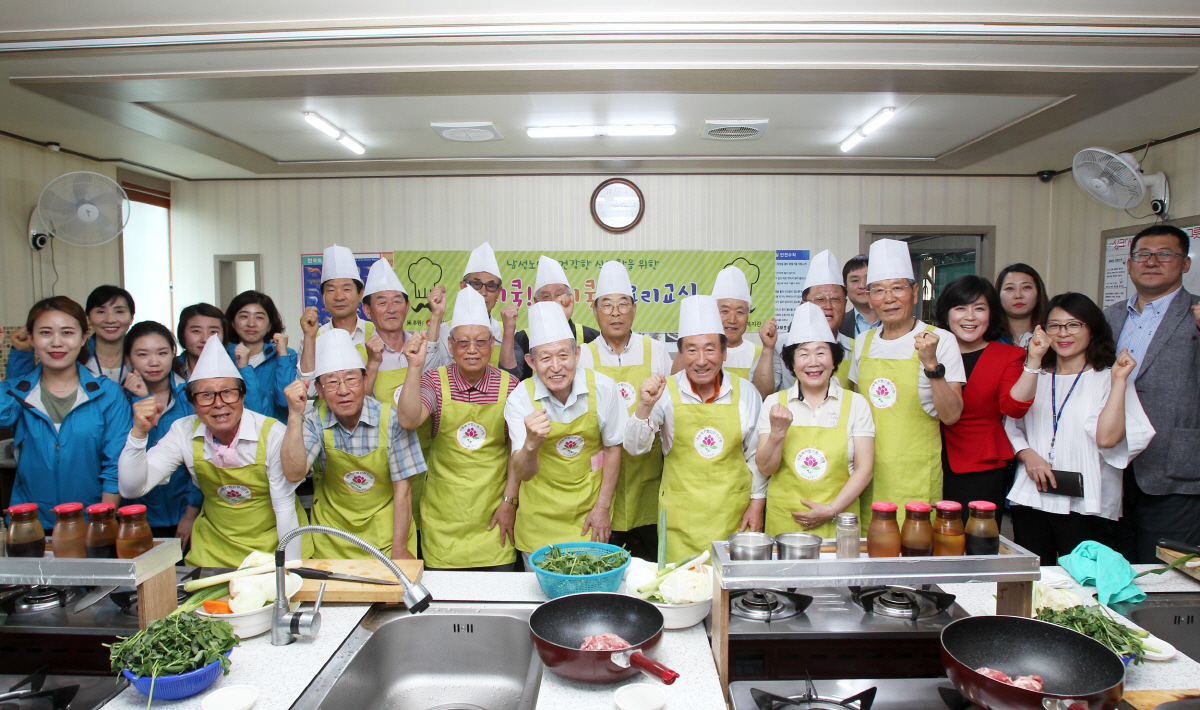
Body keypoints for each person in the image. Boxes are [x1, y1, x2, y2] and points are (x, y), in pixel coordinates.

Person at [118, 334, 313, 565]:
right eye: (206, 395)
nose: (219, 403)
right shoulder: (183, 431)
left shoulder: (272, 434)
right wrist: (139, 434)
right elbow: (132, 488)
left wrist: (289, 571)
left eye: (228, 392)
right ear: (192, 402)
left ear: (242, 395)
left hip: (272, 549)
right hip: (212, 551)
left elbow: (284, 507)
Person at [1006, 293, 1154, 566]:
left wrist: (1118, 381)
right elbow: (1012, 421)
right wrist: (1028, 455)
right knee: (1033, 579)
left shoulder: (1109, 377)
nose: (1063, 333)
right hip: (1033, 494)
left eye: (1074, 325)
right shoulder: (1034, 373)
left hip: (1087, 500)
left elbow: (1108, 439)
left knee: (1087, 583)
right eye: (1055, 325)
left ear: (1092, 329)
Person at [624, 295, 766, 561]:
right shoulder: (664, 392)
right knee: (681, 592)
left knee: (730, 594)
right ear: (680, 352)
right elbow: (635, 448)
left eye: (710, 349)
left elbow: (756, 457)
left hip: (732, 514)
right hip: (680, 518)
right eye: (691, 350)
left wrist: (757, 505)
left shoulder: (746, 393)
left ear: (724, 352)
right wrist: (644, 406)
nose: (701, 360)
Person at [395, 287, 519, 571]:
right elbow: (408, 419)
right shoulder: (434, 381)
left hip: (494, 516)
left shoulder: (510, 386)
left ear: (492, 344)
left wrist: (510, 502)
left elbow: (516, 453)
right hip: (443, 519)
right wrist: (415, 367)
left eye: (480, 342)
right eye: (463, 343)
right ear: (450, 346)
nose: (472, 350)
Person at [849, 239, 965, 531]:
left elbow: (951, 415)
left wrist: (931, 365)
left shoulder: (940, 340)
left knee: (913, 551)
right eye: (878, 290)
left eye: (897, 288)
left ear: (914, 292)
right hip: (867, 469)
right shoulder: (863, 343)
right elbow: (854, 405)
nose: (888, 298)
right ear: (869, 297)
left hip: (914, 469)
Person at [280, 330, 425, 559]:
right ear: (319, 390)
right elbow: (294, 472)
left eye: (351, 379)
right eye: (332, 383)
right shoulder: (313, 421)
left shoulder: (392, 420)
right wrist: (294, 416)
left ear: (365, 380)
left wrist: (399, 549)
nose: (343, 390)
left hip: (386, 538)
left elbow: (403, 491)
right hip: (331, 538)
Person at [1104, 225, 1200, 563]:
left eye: (1165, 254)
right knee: (1114, 566)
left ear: (1185, 264)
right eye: (1143, 255)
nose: (1152, 262)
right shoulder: (1109, 317)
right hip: (1112, 464)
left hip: (1173, 467)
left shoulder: (1197, 315)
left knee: (1164, 572)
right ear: (1129, 265)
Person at [506, 302, 627, 565]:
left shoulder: (604, 388)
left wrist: (603, 508)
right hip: (539, 520)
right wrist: (531, 444)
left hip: (589, 515)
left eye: (563, 355)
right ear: (531, 362)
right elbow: (523, 472)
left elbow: (613, 448)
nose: (556, 366)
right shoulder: (520, 399)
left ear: (577, 354)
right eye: (545, 358)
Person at [0, 297, 132, 528]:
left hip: (91, 522)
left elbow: (116, 465)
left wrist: (103, 523)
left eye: (67, 333)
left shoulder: (107, 393)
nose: (57, 342)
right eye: (45, 333)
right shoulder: (16, 392)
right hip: (29, 524)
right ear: (31, 339)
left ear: (83, 338)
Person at [577, 260, 673, 561]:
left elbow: (669, 407)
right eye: (606, 305)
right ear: (594, 311)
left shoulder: (654, 349)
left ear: (634, 309)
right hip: (601, 484)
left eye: (623, 304)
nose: (615, 313)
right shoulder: (584, 356)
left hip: (649, 475)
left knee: (647, 571)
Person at [757, 303, 874, 538]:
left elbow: (864, 469)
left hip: (839, 523)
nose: (813, 362)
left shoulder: (856, 403)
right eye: (803, 354)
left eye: (821, 353)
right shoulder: (774, 403)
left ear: (833, 360)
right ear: (791, 363)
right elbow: (765, 468)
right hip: (785, 523)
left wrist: (832, 509)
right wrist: (778, 433)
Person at [935, 276, 1033, 523]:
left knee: (975, 541)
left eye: (979, 308)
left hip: (980, 462)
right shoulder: (927, 351)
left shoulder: (1009, 355)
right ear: (946, 314)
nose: (970, 317)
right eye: (960, 308)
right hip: (928, 457)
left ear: (991, 315)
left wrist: (1034, 364)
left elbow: (1012, 407)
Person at [120, 321, 203, 546]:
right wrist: (141, 398)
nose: (154, 362)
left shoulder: (190, 396)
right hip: (134, 516)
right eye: (142, 354)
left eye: (162, 353)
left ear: (173, 354)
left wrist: (190, 514)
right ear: (128, 358)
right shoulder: (118, 401)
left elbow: (200, 458)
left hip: (186, 514)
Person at [760, 250, 854, 394]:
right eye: (820, 299)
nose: (828, 306)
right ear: (803, 304)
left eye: (835, 299)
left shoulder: (857, 348)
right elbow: (762, 392)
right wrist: (767, 349)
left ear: (845, 304)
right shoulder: (781, 345)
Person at [6, 285, 136, 384]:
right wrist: (22, 353)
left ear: (131, 317)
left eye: (119, 311)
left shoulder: (142, 354)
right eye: (100, 312)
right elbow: (18, 391)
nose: (110, 319)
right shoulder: (69, 352)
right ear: (88, 318)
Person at [430, 242, 521, 377]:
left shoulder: (508, 333)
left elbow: (513, 381)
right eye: (476, 284)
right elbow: (428, 375)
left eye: (490, 286)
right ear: (463, 287)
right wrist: (436, 316)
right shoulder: (443, 332)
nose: (483, 292)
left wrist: (509, 331)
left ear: (499, 292)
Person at [674, 266, 765, 390]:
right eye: (725, 311)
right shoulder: (693, 350)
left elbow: (764, 394)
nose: (732, 320)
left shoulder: (760, 353)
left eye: (740, 312)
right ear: (712, 312)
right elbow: (674, 386)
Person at [514, 255, 600, 381]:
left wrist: (562, 320)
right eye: (546, 297)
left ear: (570, 299)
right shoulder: (522, 339)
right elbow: (513, 377)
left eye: (559, 295)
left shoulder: (591, 336)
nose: (553, 302)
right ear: (536, 302)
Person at [299, 244, 373, 389]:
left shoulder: (376, 332)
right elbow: (307, 390)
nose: (339, 296)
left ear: (360, 293)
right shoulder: (313, 337)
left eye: (346, 289)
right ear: (323, 297)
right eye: (331, 290)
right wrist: (309, 338)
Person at [225, 290, 298, 421]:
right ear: (232, 323)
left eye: (259, 317)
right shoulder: (223, 357)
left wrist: (282, 356)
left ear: (270, 325)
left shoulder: (287, 355)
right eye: (243, 316)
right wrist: (244, 368)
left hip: (277, 435)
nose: (251, 324)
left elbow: (285, 401)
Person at [996, 263, 1049, 347]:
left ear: (1039, 294)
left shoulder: (1052, 335)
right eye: (1010, 288)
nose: (1018, 295)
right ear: (998, 296)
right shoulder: (987, 338)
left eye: (1026, 287)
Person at [173, 303, 227, 380]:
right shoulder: (169, 371)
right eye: (196, 331)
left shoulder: (237, 368)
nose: (205, 339)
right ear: (182, 334)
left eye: (213, 332)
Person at [841, 254, 879, 339]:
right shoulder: (838, 325)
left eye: (868, 279)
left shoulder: (896, 320)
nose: (862, 285)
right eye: (855, 280)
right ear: (845, 286)